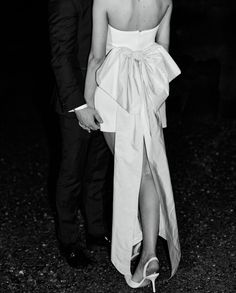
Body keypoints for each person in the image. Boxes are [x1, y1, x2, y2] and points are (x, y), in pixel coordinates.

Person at [83, 0, 181, 291]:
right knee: (146, 171)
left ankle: (144, 249)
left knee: (131, 171)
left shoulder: (106, 1)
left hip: (114, 92)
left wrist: (87, 102)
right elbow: (162, 48)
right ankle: (146, 251)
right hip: (149, 89)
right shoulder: (165, 1)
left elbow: (95, 57)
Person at [48, 0, 113, 268]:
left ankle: (96, 232)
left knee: (98, 170)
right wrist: (80, 106)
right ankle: (69, 240)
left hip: (109, 94)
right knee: (71, 172)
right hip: (75, 102)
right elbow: (60, 55)